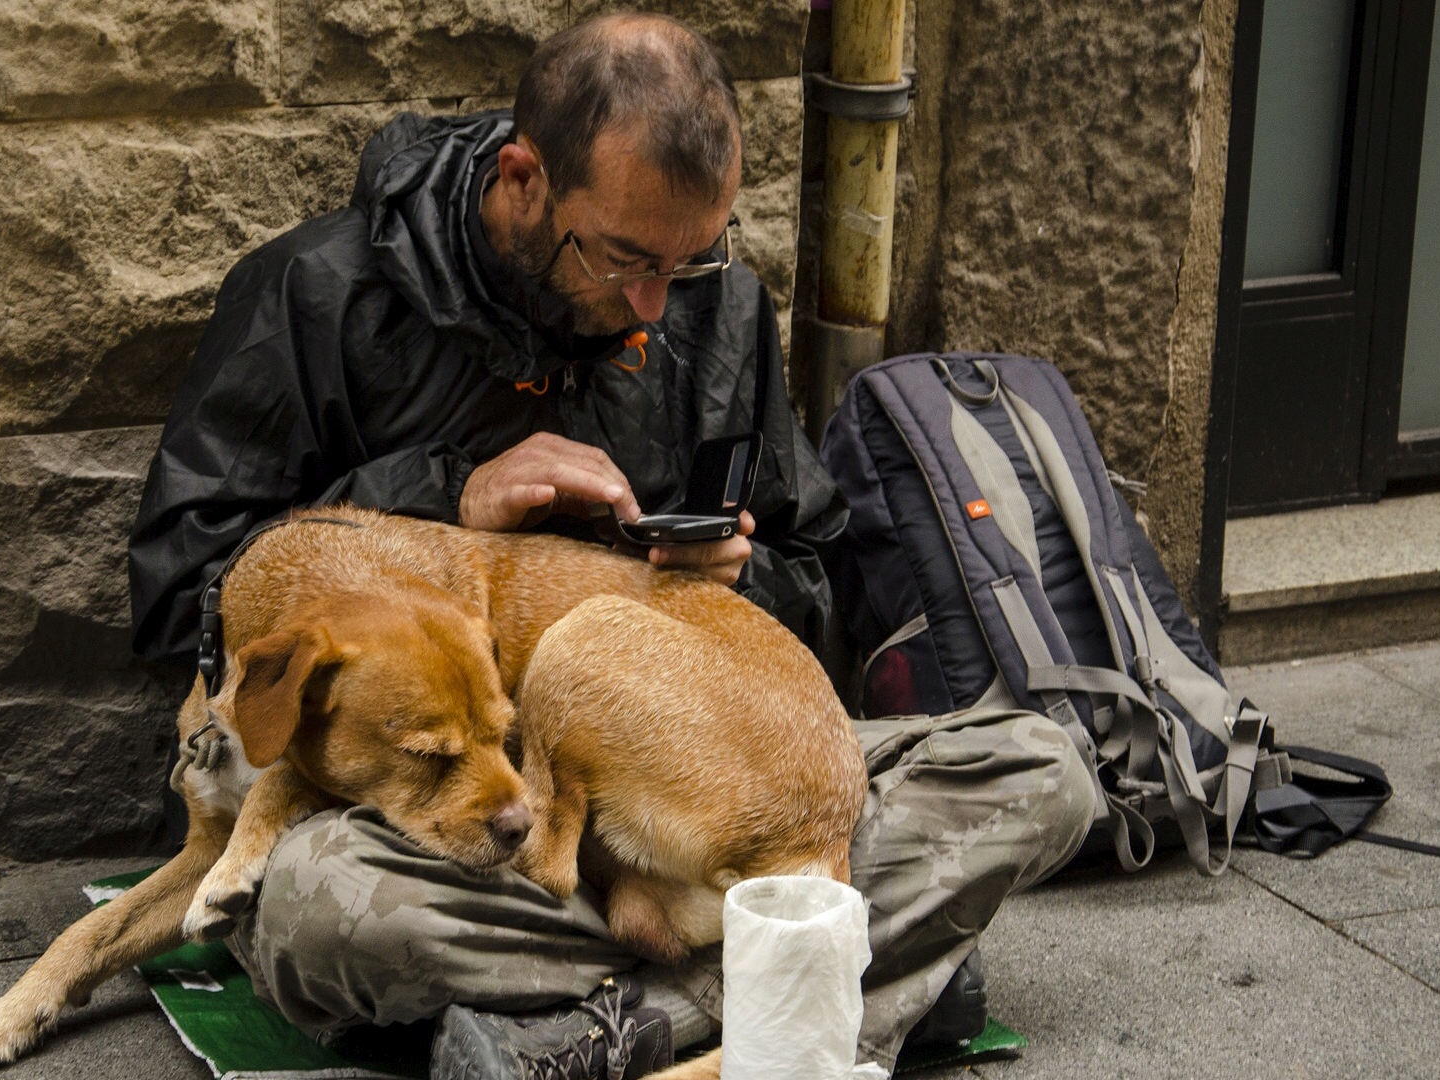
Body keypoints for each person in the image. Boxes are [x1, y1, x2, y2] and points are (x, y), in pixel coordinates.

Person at [128, 13, 1096, 1079]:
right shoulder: (317, 293)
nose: (655, 301)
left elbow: (824, 592)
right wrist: (450, 495)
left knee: (1046, 771)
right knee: (319, 916)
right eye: (627, 257)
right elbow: (186, 593)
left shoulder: (710, 305)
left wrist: (740, 572)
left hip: (677, 786)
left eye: (690, 258)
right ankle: (814, 969)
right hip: (460, 821)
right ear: (523, 176)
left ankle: (636, 1020)